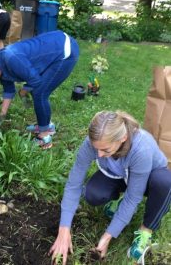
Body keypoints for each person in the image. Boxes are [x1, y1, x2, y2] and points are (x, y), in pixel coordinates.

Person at [49, 110, 171, 264]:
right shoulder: (92, 144)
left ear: (123, 138)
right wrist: (64, 228)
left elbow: (133, 197)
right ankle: (117, 204)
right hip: (120, 175)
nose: (99, 155)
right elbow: (74, 184)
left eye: (105, 150)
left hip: (149, 179)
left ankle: (145, 230)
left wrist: (108, 236)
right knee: (93, 193)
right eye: (96, 148)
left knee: (164, 182)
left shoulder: (141, 149)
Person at [0, 30, 80, 149]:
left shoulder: (10, 58)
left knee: (40, 93)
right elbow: (9, 91)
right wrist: (1, 117)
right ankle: (46, 125)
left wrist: (23, 91)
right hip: (54, 46)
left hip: (65, 51)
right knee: (37, 90)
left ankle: (45, 136)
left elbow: (35, 80)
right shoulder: (1, 67)